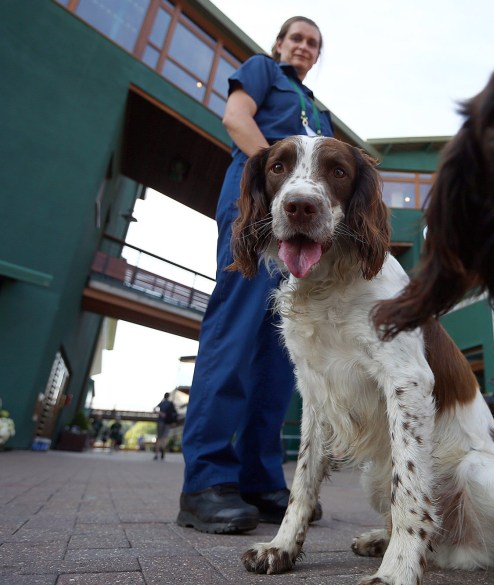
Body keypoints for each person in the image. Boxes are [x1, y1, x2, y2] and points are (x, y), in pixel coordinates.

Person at [178, 16, 332, 535]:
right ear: (280, 45)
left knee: (280, 347)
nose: (304, 48)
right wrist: (279, 182)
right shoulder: (263, 71)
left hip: (302, 226)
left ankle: (261, 477)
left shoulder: (320, 114)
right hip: (258, 211)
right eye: (297, 39)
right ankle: (206, 481)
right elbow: (236, 120)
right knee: (236, 332)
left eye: (313, 43)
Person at [154, 392, 176, 460]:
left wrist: (160, 413)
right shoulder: (170, 403)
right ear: (169, 396)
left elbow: (154, 409)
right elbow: (174, 413)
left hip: (160, 421)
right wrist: (173, 421)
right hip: (168, 422)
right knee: (164, 438)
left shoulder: (162, 403)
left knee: (159, 438)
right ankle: (163, 449)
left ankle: (156, 454)